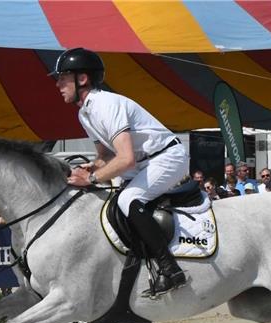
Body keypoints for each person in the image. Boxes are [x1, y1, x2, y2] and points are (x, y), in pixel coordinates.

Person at [54, 47, 189, 296]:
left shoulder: (105, 104)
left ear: (82, 78)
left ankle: (170, 268)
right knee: (112, 203)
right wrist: (90, 167)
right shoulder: (84, 113)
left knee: (128, 199)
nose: (58, 84)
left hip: (166, 157)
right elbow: (105, 156)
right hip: (143, 163)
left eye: (62, 78)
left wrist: (91, 178)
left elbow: (125, 159)